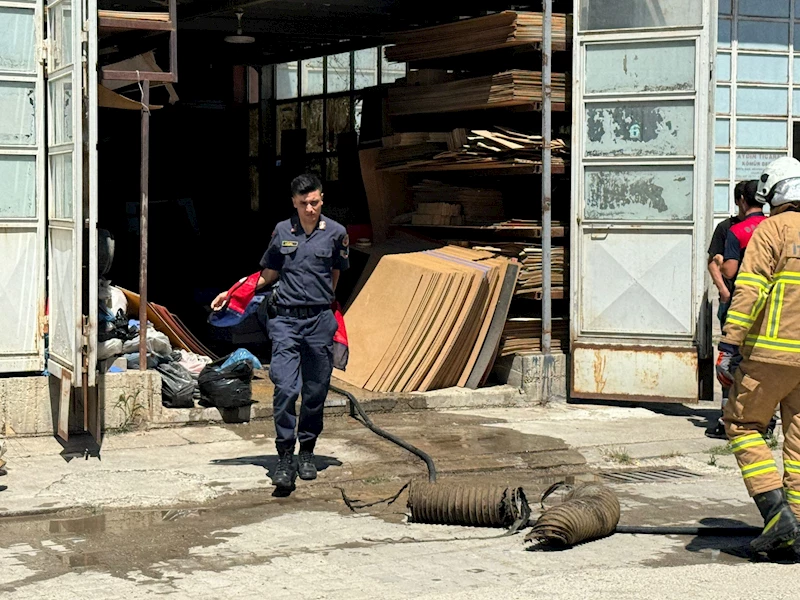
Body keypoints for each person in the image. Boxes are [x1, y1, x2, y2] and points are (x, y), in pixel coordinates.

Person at [211, 174, 349, 489]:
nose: (310, 208)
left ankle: (308, 452)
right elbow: (268, 274)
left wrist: (322, 300)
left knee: (315, 392)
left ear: (321, 199)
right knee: (286, 388)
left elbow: (337, 271)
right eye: (304, 203)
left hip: (318, 323)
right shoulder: (282, 232)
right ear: (294, 203)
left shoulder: (337, 234)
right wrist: (232, 293)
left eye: (315, 202)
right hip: (286, 322)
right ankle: (285, 456)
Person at [717, 156, 800, 556]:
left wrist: (729, 343)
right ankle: (796, 527)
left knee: (742, 425)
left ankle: (774, 513)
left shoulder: (771, 231)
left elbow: (748, 290)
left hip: (770, 355)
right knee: (799, 444)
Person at [704, 183, 746, 438]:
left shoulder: (762, 228)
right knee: (730, 361)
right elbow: (713, 262)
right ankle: (725, 416)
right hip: (732, 304)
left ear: (740, 199)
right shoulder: (726, 228)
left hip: (749, 306)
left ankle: (747, 416)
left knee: (733, 360)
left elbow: (723, 266)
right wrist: (724, 291)